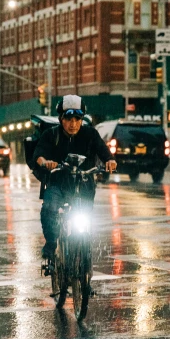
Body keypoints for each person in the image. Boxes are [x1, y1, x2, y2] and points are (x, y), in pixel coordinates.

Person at [32, 95, 117, 270]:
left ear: (81, 119)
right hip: (58, 185)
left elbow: (104, 151)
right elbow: (38, 154)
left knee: (83, 220)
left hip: (83, 186)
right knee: (49, 208)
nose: (73, 124)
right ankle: (51, 243)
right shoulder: (51, 135)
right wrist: (44, 162)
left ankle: (83, 263)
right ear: (60, 119)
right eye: (68, 119)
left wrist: (110, 160)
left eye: (77, 119)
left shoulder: (90, 134)